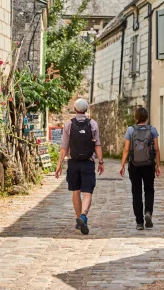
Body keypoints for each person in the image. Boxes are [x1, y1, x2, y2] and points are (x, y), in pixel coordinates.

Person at [55, 99, 104, 235]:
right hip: (88, 162)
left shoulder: (69, 124)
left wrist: (59, 165)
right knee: (87, 192)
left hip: (73, 162)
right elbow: (97, 145)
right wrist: (100, 162)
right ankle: (83, 216)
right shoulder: (93, 124)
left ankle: (79, 219)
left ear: (75, 110)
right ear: (86, 110)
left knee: (76, 191)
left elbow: (64, 147)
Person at [120, 107, 161, 230]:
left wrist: (122, 165)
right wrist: (158, 165)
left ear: (136, 117)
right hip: (148, 164)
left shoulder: (130, 130)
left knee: (136, 192)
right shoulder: (152, 130)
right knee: (149, 190)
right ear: (147, 117)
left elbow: (126, 149)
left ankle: (139, 222)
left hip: (134, 165)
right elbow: (156, 149)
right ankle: (148, 212)